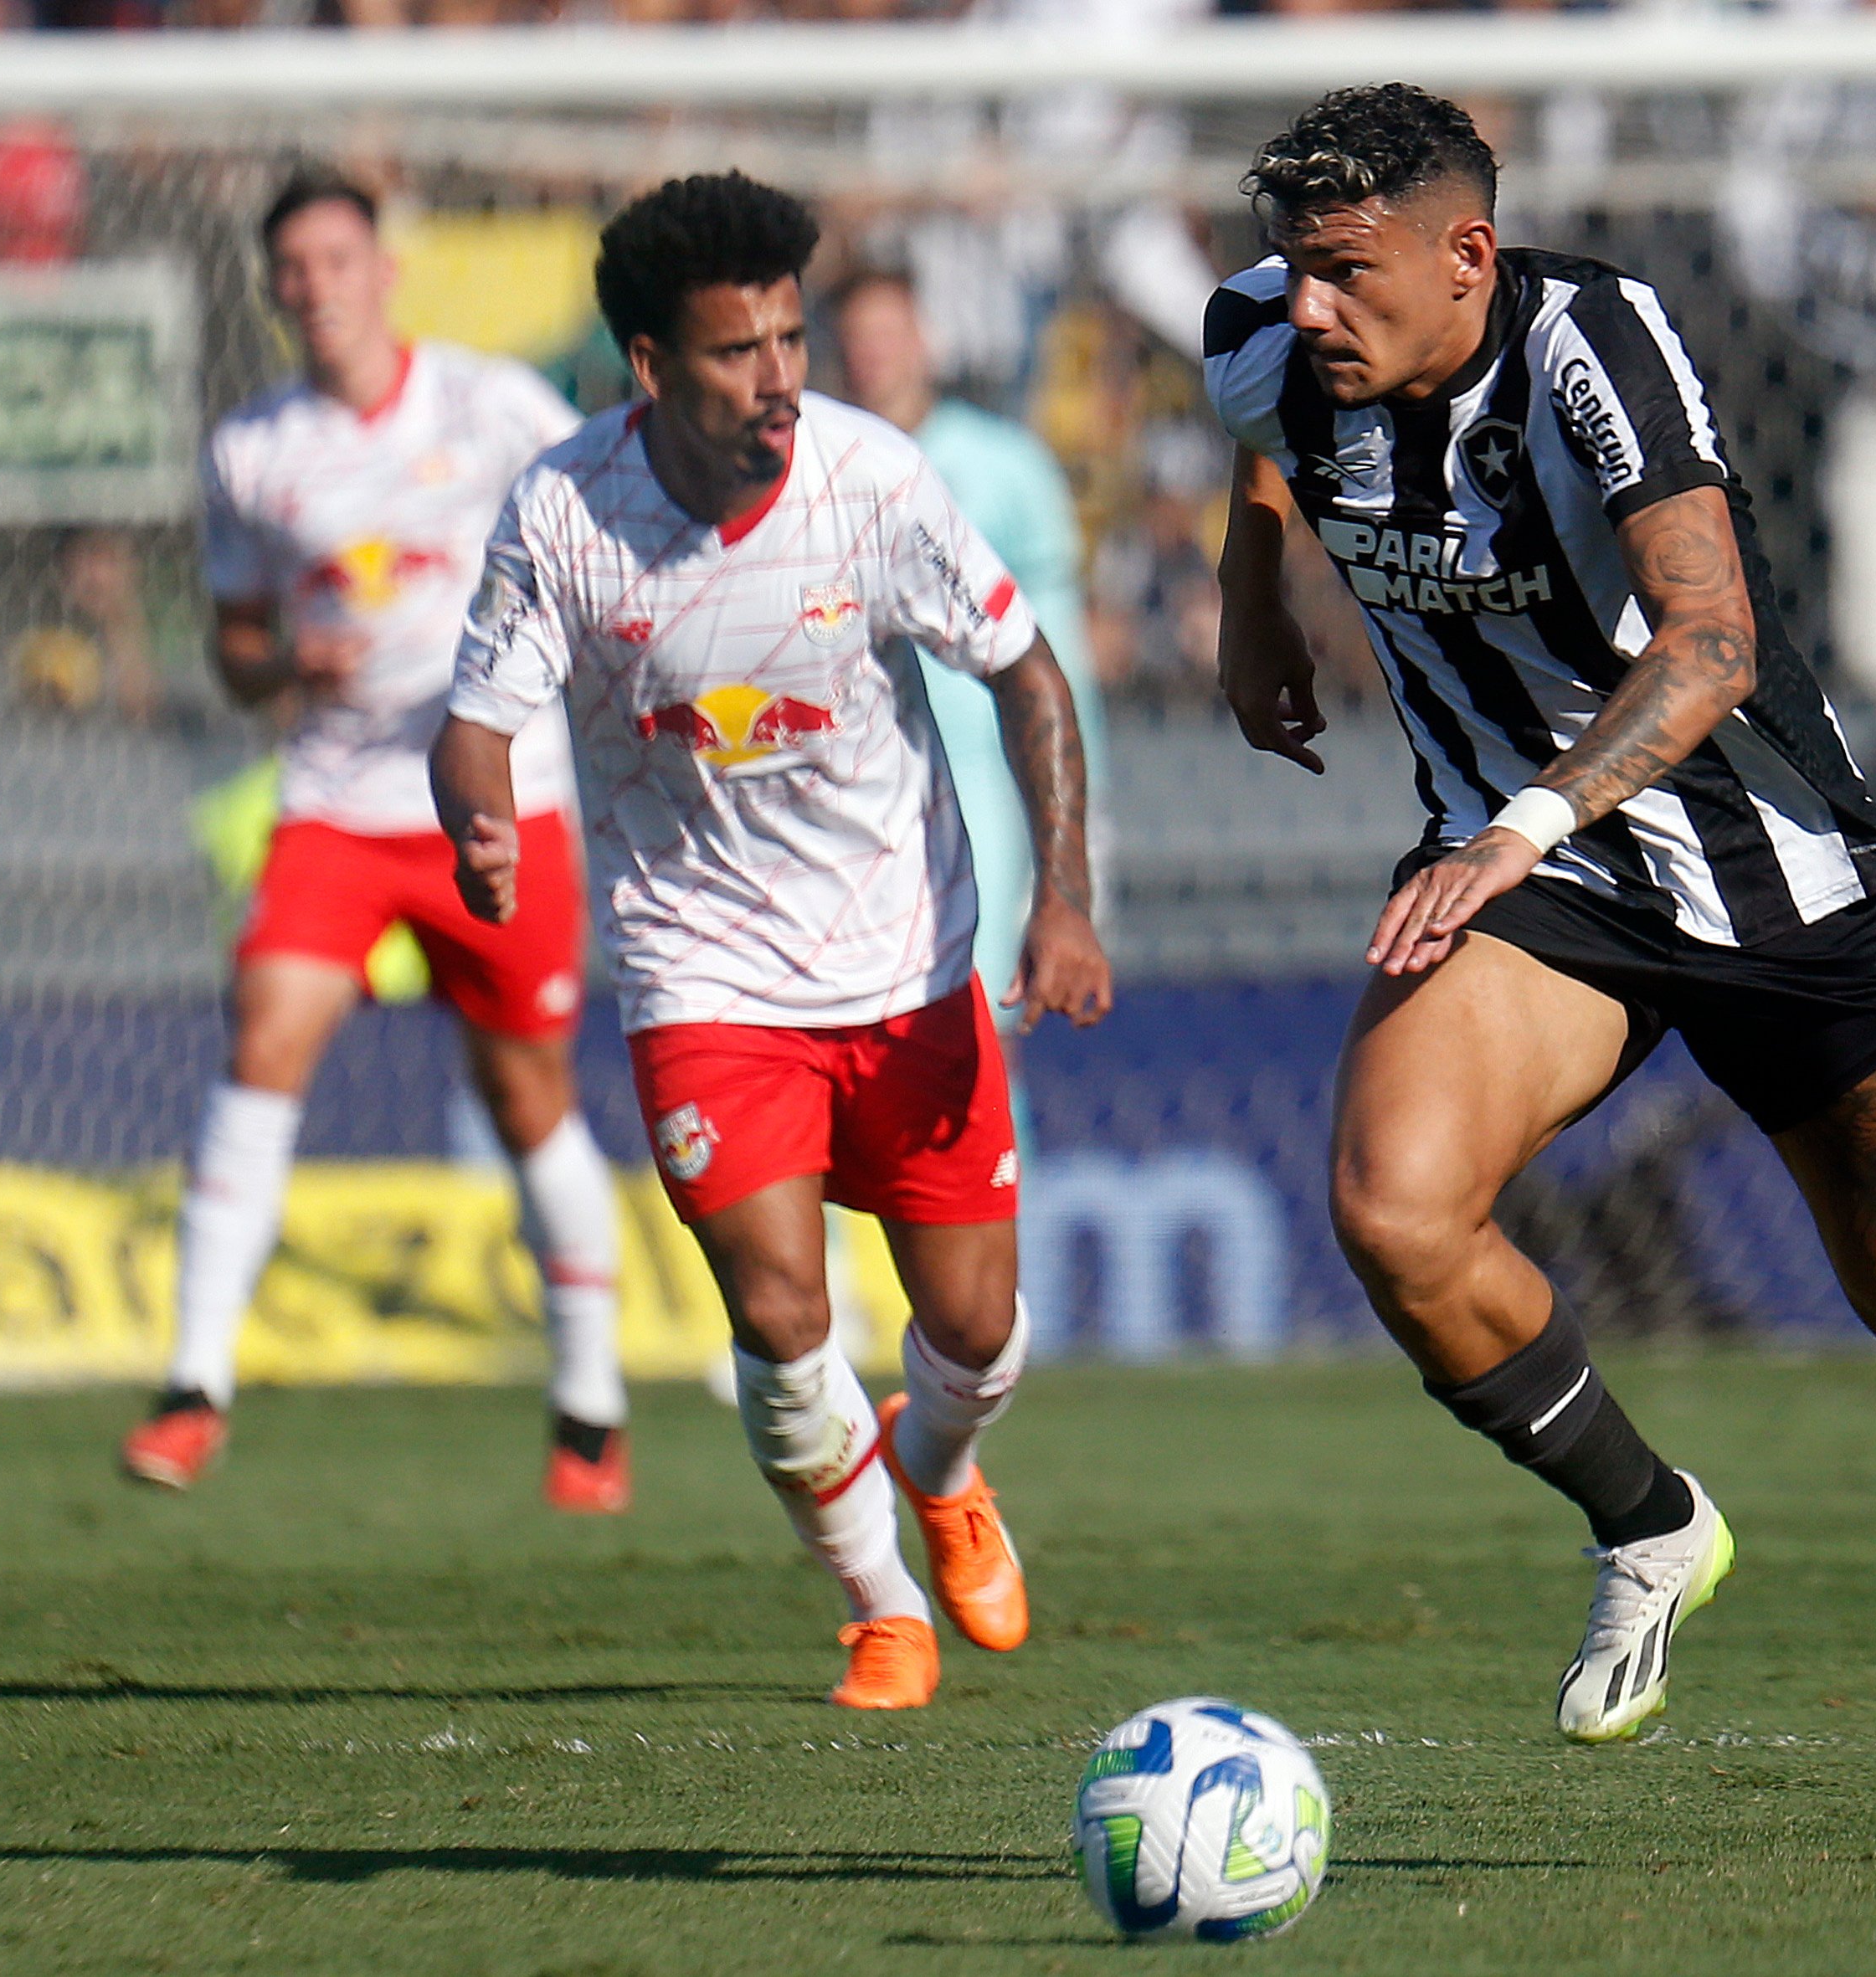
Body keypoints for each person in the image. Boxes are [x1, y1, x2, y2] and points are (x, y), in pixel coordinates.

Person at [1205, 86, 1876, 1862]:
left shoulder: (1590, 346)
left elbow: (1709, 639)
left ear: (1466, 255)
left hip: (1759, 871)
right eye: (1292, 270)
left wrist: (1520, 827)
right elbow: (1256, 428)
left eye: (1345, 272)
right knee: (1396, 1213)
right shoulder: (1265, 335)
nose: (1306, 308)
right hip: (1538, 867)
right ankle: (1647, 1520)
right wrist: (1254, 608)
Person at [430, 172, 1113, 1712]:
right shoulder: (561, 509)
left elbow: (1025, 675)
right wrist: (476, 819)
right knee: (780, 1310)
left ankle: (938, 1474)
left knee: (977, 1329)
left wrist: (1060, 896)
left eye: (792, 340)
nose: (781, 379)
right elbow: (473, 722)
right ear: (653, 368)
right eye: (740, 352)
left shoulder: (872, 483)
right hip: (702, 976)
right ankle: (880, 1607)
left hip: (908, 956)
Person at [118, 170, 632, 1516]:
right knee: (263, 1036)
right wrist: (287, 654)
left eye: (337, 258)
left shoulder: (496, 407)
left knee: (528, 1101)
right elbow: (235, 654)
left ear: (380, 269)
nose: (317, 285)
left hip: (497, 806)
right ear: (273, 290)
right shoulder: (251, 451)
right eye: (292, 268)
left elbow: (603, 541)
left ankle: (588, 1404)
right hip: (336, 802)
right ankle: (192, 1387)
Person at [830, 269, 1108, 1025]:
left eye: (888, 336)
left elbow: (1057, 647)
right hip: (856, 782)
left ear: (924, 342)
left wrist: (1084, 814)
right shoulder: (821, 465)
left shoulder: (1005, 463)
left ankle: (1001, 1149)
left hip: (985, 771)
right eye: (857, 339)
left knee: (980, 1010)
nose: (873, 356)